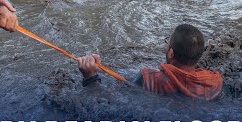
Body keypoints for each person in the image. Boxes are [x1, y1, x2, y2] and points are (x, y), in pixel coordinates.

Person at [78, 24, 223, 100]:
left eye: (167, 43)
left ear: (171, 53)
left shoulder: (148, 78)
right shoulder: (216, 82)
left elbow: (110, 99)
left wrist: (90, 77)